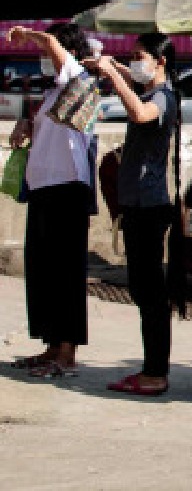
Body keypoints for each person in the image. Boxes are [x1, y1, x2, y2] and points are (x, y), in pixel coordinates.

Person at [93, 32, 185, 396]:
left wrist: (114, 76)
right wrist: (112, 69)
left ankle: (155, 372)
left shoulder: (162, 97)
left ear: (160, 61)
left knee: (150, 294)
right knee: (143, 290)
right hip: (136, 204)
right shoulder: (149, 89)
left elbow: (140, 112)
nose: (133, 62)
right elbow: (134, 89)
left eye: (138, 55)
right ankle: (152, 368)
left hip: (150, 206)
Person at [5, 23, 95, 378]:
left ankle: (67, 353)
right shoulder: (53, 93)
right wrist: (26, 127)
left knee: (65, 273)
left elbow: (58, 49)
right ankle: (52, 345)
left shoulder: (78, 78)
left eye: (46, 53)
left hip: (67, 189)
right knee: (44, 272)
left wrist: (28, 33)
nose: (44, 59)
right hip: (43, 188)